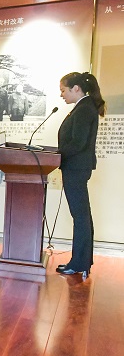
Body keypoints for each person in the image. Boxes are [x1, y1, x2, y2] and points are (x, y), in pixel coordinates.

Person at [56, 72, 106, 279]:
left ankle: (79, 263)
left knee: (81, 216)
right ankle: (82, 262)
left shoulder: (84, 108)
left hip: (76, 168)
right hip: (76, 168)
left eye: (63, 90)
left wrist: (57, 155)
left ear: (76, 88)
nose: (61, 95)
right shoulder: (83, 107)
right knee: (82, 216)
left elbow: (78, 143)